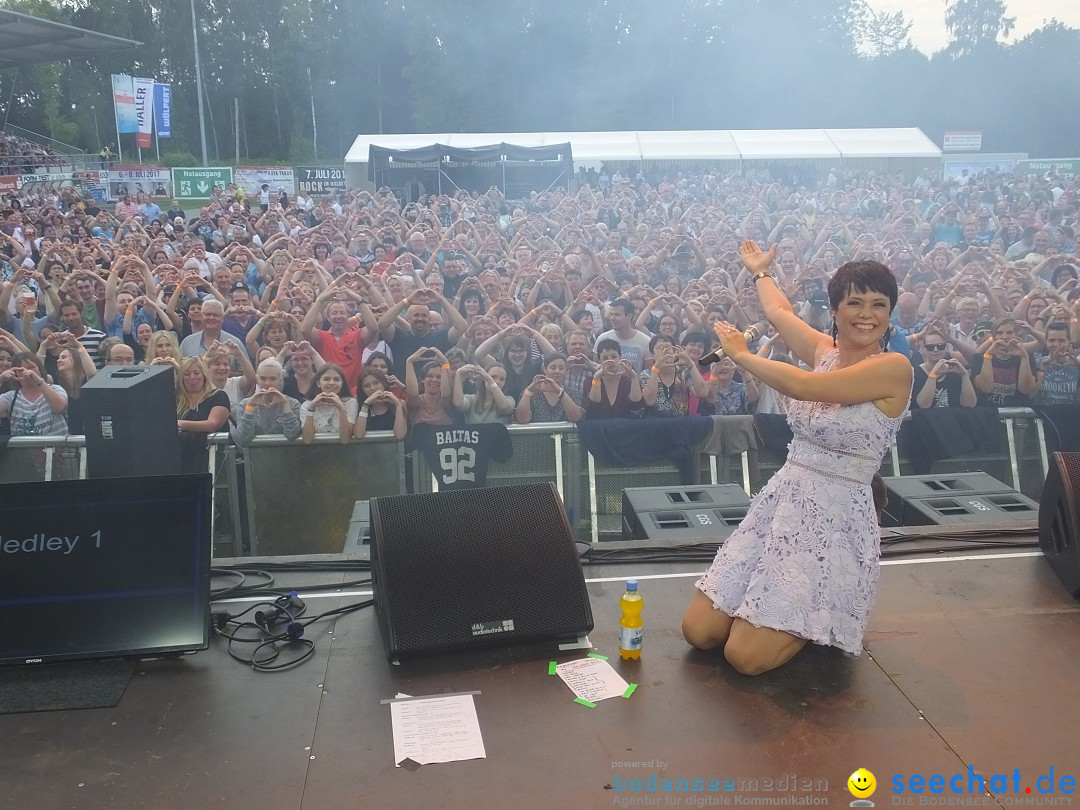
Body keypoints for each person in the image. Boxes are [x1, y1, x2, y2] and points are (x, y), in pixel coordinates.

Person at [682, 241, 912, 676]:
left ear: (889, 312)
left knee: (744, 658)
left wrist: (744, 357)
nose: (867, 314)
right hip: (784, 501)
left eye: (878, 304)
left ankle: (819, 614)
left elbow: (806, 389)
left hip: (835, 516)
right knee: (700, 632)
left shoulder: (894, 368)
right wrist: (760, 273)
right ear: (836, 309)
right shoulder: (826, 353)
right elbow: (781, 315)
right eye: (855, 302)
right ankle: (771, 612)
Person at [176, 356, 231, 473]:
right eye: (187, 374)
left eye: (196, 373)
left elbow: (212, 424)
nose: (192, 377)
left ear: (204, 376)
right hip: (182, 460)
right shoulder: (176, 400)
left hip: (214, 461)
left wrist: (182, 424)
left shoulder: (218, 396)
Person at [0, 352, 68, 436]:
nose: (27, 371)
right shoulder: (10, 397)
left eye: (31, 367)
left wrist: (38, 382)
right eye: (21, 369)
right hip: (23, 448)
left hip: (55, 448)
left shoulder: (55, 389)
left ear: (40, 369)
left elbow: (60, 407)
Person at [300, 363, 358, 444]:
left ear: (342, 383)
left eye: (337, 379)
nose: (331, 383)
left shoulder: (350, 403)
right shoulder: (306, 405)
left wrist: (341, 409)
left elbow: (345, 440)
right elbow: (307, 440)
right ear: (318, 383)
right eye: (326, 379)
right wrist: (311, 409)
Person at [353, 369, 408, 440]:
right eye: (367, 386)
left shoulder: (400, 403)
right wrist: (365, 405)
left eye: (376, 383)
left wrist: (398, 405)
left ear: (383, 383)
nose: (372, 388)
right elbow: (358, 435)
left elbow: (400, 435)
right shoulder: (360, 405)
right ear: (362, 390)